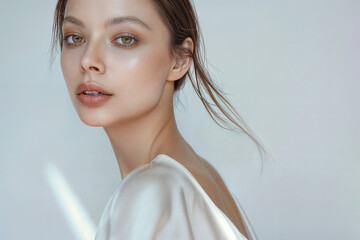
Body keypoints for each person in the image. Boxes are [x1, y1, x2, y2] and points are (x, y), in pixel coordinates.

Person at [51, 0, 269, 239]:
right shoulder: (200, 175)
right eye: (75, 37)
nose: (87, 60)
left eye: (125, 38)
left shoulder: (153, 191)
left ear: (180, 59)